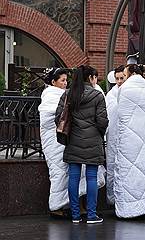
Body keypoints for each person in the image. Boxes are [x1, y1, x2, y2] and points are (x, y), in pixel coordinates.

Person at [55, 65, 108, 224]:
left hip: (73, 141)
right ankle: (91, 215)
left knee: (74, 177)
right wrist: (98, 133)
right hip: (93, 140)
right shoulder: (98, 96)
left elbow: (59, 118)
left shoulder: (67, 95)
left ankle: (75, 215)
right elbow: (102, 121)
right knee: (91, 177)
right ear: (90, 78)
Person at [111, 64, 145, 218]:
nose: (123, 79)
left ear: (131, 74)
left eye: (124, 75)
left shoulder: (124, 89)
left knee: (128, 169)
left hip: (129, 138)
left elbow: (120, 113)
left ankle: (129, 208)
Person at [39, 68, 71, 217]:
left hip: (62, 140)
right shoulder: (50, 96)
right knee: (58, 171)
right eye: (62, 80)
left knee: (63, 171)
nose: (65, 83)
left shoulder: (63, 95)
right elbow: (49, 117)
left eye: (66, 80)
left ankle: (63, 204)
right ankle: (56, 206)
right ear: (53, 82)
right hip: (53, 140)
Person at [105, 64, 126, 205]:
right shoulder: (111, 95)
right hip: (113, 136)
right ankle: (113, 197)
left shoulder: (129, 93)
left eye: (122, 78)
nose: (119, 81)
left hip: (125, 136)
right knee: (112, 166)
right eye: (117, 78)